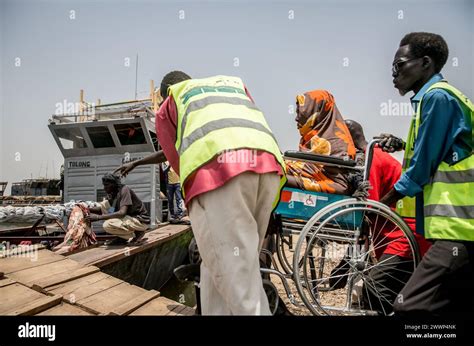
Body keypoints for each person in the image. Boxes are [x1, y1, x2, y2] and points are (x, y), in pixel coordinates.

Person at [116, 72, 286, 315]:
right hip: (267, 165)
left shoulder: (171, 100)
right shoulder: (229, 85)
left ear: (165, 92)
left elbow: (174, 157)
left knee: (237, 280)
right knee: (226, 264)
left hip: (221, 173)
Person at [377, 32, 474, 315]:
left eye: (399, 64)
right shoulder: (434, 99)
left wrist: (387, 200)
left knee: (410, 307)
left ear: (425, 63)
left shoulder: (438, 98)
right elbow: (445, 153)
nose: (394, 73)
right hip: (457, 230)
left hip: (459, 229)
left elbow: (423, 165)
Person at [344, 119, 431, 314]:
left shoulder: (371, 159)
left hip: (404, 236)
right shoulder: (373, 156)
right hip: (403, 233)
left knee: (377, 287)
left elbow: (370, 209)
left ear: (348, 137)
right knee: (396, 290)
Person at [285, 90, 356, 195]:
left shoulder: (336, 142)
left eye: (300, 113)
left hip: (331, 186)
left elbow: (339, 183)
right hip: (317, 179)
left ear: (316, 112)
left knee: (275, 174)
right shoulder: (313, 138)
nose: (296, 118)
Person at [86, 173, 150, 246]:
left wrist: (98, 218)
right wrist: (87, 209)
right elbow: (108, 211)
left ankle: (138, 232)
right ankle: (123, 238)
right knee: (105, 204)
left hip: (140, 220)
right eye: (104, 185)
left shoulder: (124, 190)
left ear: (113, 184)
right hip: (129, 218)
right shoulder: (113, 194)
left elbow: (122, 213)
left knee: (107, 225)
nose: (104, 188)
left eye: (107, 185)